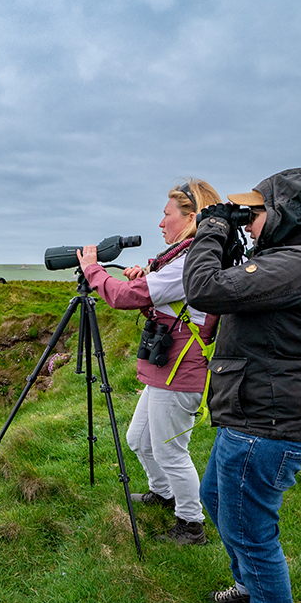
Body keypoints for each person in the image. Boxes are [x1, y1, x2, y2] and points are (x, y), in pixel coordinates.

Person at [182, 167, 301, 603]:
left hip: (269, 421)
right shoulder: (292, 259)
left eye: (256, 212)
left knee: (249, 524)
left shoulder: (298, 263)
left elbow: (204, 289)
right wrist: (230, 237)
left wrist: (210, 228)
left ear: (285, 212)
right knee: (215, 495)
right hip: (256, 412)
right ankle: (250, 586)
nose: (248, 222)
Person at [76, 179, 220, 545]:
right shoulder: (185, 258)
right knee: (138, 439)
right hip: (166, 366)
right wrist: (148, 278)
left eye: (166, 214)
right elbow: (160, 297)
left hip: (181, 370)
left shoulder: (190, 261)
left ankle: (191, 524)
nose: (161, 223)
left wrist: (94, 271)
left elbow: (126, 297)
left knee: (171, 451)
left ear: (190, 218)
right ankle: (164, 494)